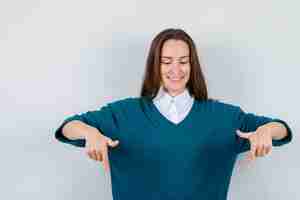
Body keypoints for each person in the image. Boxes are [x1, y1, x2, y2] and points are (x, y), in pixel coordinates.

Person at [55, 28, 293, 200]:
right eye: (166, 61)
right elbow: (68, 127)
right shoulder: (124, 114)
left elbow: (281, 129)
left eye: (183, 61)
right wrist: (89, 132)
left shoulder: (223, 117)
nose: (175, 70)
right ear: (155, 66)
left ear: (193, 65)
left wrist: (266, 130)